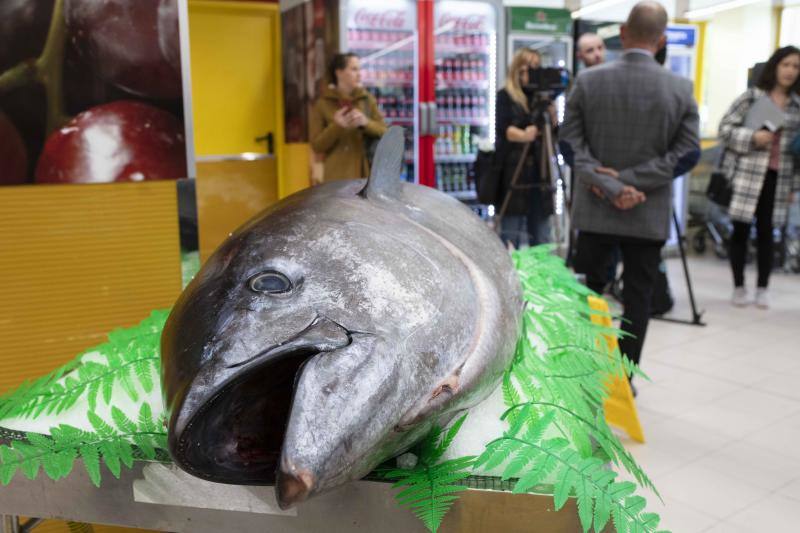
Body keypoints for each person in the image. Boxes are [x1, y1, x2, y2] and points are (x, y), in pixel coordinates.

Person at [560, 1, 700, 377]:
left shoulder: (588, 82)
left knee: (589, 291)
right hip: (647, 210)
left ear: (622, 33)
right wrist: (635, 183)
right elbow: (687, 154)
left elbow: (570, 146)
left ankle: (583, 373)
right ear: (662, 39)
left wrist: (609, 183)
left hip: (595, 207)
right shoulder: (681, 88)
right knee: (638, 295)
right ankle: (624, 377)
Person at [718, 46, 800, 308]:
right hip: (746, 174)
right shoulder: (751, 98)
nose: (790, 71)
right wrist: (752, 137)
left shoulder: (797, 106)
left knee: (768, 233)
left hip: (779, 178)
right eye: (786, 64)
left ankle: (763, 288)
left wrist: (794, 187)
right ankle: (739, 286)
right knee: (740, 229)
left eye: (796, 66)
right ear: (775, 66)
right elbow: (725, 129)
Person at [495, 48, 554, 248]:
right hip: (514, 172)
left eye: (537, 68)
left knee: (542, 235)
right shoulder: (506, 96)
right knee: (510, 235)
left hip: (540, 173)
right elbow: (505, 130)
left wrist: (551, 119)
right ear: (517, 69)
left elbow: (553, 137)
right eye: (529, 68)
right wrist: (524, 135)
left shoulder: (542, 100)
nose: (532, 74)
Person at [309, 53, 387, 182]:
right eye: (354, 69)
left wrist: (366, 123)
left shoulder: (367, 100)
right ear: (339, 72)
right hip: (336, 178)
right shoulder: (322, 104)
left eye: (359, 69)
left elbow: (384, 132)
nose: (359, 74)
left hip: (367, 176)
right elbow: (317, 146)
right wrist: (337, 126)